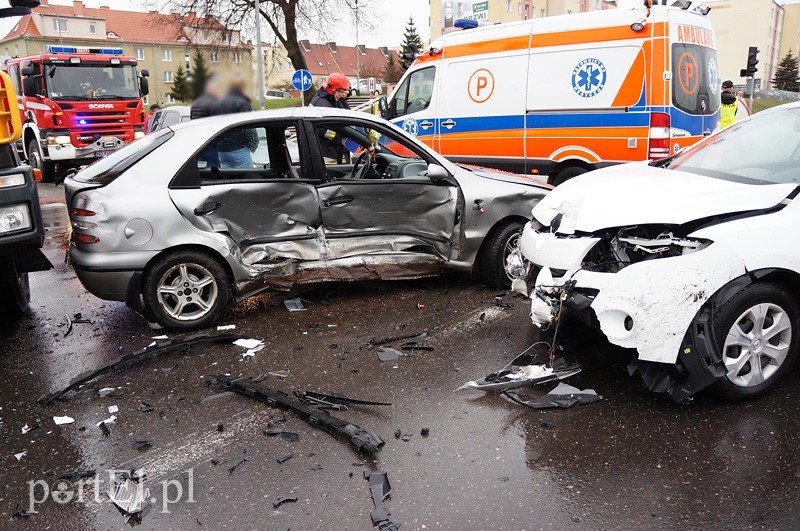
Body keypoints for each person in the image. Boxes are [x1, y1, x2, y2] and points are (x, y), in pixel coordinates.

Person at [215, 75, 257, 168]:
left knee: (228, 179)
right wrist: (253, 145)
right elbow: (248, 126)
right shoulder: (242, 102)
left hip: (222, 150)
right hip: (239, 148)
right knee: (247, 179)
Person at [310, 73, 351, 163]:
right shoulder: (323, 104)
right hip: (325, 152)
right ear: (332, 89)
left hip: (331, 149)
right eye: (340, 91)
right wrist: (342, 133)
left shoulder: (331, 100)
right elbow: (322, 129)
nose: (342, 94)